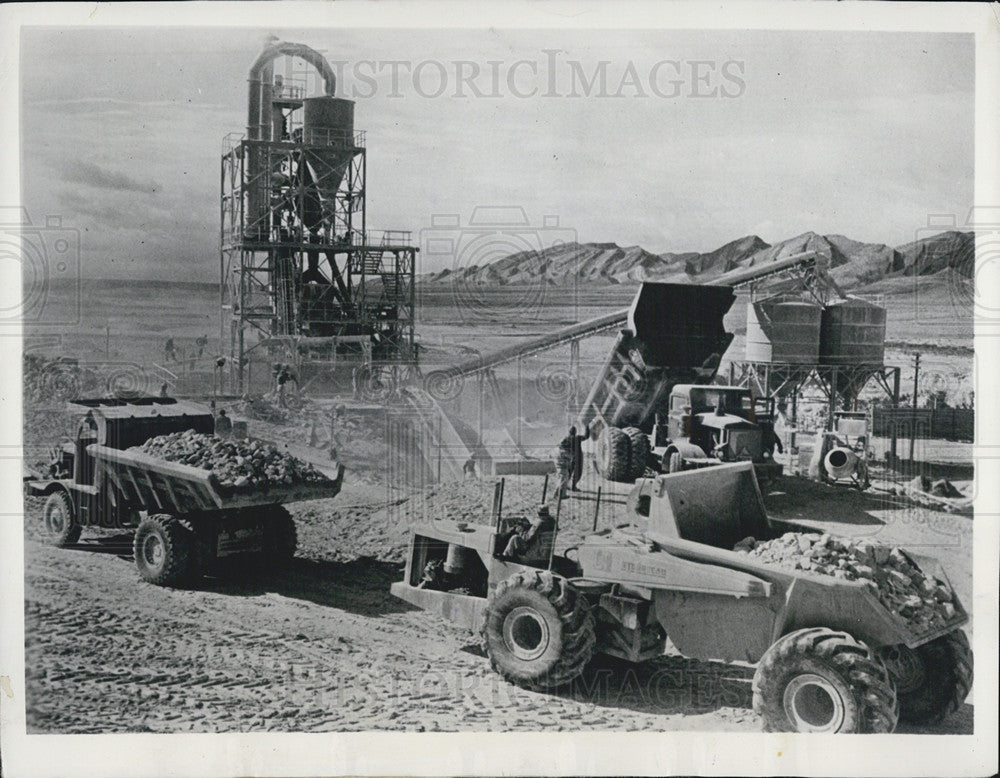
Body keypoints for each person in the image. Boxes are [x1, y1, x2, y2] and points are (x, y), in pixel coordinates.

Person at [570, 425, 590, 491]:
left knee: (569, 472)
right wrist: (587, 427)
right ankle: (573, 486)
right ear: (575, 432)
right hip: (578, 457)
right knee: (578, 472)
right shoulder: (577, 438)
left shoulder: (567, 439)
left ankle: (565, 486)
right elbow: (586, 436)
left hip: (570, 457)